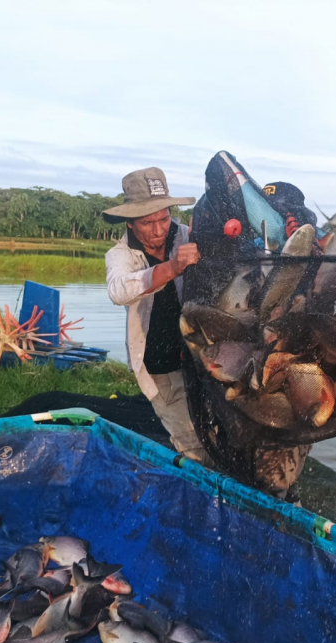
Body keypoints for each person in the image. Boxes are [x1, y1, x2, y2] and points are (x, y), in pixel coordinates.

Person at [104, 167, 207, 463]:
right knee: (192, 445)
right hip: (160, 363)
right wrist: (172, 268)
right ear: (131, 223)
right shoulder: (121, 255)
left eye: (164, 218)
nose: (159, 229)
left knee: (220, 431)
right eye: (148, 223)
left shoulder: (187, 236)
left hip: (201, 359)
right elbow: (118, 290)